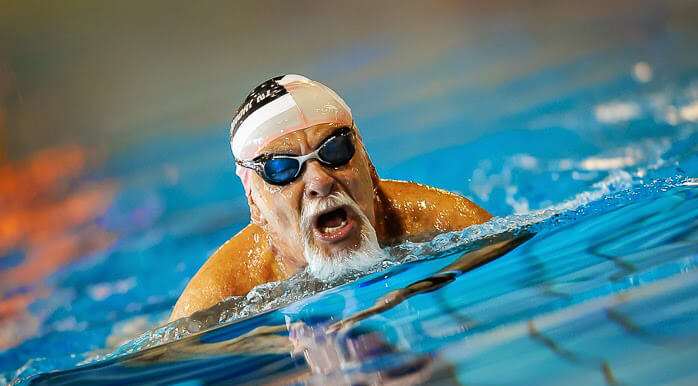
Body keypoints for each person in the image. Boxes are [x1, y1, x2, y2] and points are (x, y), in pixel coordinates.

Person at [169, 75, 491, 321]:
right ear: (254, 202)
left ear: (367, 161)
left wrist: (420, 288)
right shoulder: (216, 298)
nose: (319, 181)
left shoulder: (447, 222)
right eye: (281, 169)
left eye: (334, 150)